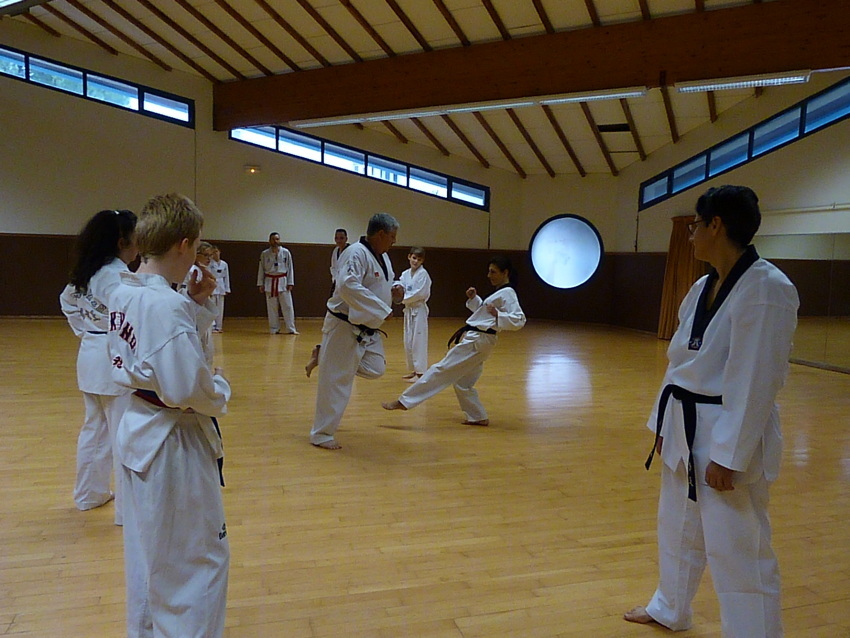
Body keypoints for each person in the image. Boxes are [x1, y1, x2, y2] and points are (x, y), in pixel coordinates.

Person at [624, 185, 799, 638]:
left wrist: (729, 454)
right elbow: (679, 361)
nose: (691, 236)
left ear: (716, 226)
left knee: (737, 549)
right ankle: (670, 608)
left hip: (725, 428)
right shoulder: (703, 286)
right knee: (676, 525)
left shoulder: (767, 289)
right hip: (683, 422)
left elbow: (757, 380)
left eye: (696, 226)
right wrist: (661, 424)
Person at [107, 193, 231, 638]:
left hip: (139, 427)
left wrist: (193, 304)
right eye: (196, 246)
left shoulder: (123, 290)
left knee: (150, 553)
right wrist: (221, 388)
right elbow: (188, 391)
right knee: (198, 562)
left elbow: (157, 345)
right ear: (183, 245)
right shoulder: (166, 307)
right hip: (173, 442)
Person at [59, 209, 138, 526]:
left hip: (91, 353)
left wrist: (87, 330)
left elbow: (67, 301)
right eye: (136, 239)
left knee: (95, 429)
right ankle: (127, 511)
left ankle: (89, 494)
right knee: (123, 433)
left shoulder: (87, 271)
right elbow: (131, 316)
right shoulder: (117, 277)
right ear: (121, 242)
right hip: (112, 357)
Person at [382, 255, 525, 426]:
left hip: (477, 340)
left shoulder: (508, 293)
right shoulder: (501, 291)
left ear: (505, 273)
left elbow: (519, 320)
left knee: (440, 369)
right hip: (481, 340)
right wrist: (475, 300)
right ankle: (478, 416)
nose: (489, 275)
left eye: (493, 272)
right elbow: (484, 314)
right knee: (463, 382)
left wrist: (498, 314)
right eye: (489, 271)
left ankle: (404, 401)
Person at [308, 213, 404, 449]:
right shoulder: (355, 253)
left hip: (367, 331)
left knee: (376, 368)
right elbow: (347, 285)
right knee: (336, 381)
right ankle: (322, 434)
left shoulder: (383, 256)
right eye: (392, 236)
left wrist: (395, 291)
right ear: (380, 234)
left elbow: (381, 283)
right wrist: (381, 308)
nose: (394, 241)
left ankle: (327, 357)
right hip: (344, 326)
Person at [397, 246, 432, 381]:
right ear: (409, 257)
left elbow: (420, 293)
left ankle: (421, 372)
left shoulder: (423, 274)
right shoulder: (405, 274)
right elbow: (400, 286)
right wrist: (396, 291)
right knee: (409, 340)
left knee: (419, 341)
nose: (416, 261)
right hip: (408, 310)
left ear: (423, 261)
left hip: (418, 310)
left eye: (419, 259)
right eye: (414, 258)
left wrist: (402, 299)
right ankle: (414, 370)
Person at [257, 232, 298, 334]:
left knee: (288, 306)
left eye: (277, 239)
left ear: (279, 240)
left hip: (283, 281)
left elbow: (290, 268)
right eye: (273, 239)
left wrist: (290, 282)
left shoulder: (286, 252)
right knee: (272, 308)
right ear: (269, 241)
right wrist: (260, 283)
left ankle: (291, 328)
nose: (275, 241)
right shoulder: (264, 254)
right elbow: (261, 269)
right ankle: (274, 328)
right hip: (269, 281)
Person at [210, 245, 230, 333]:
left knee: (220, 308)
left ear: (219, 252)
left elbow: (226, 277)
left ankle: (219, 326)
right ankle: (212, 326)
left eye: (216, 252)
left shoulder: (224, 264)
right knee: (212, 307)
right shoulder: (210, 264)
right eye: (213, 252)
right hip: (212, 286)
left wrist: (227, 288)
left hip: (221, 286)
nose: (215, 254)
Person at [329, 228, 349, 295]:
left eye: (341, 238)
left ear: (346, 239)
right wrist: (335, 279)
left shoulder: (351, 251)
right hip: (337, 282)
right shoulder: (336, 250)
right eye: (336, 238)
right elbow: (333, 267)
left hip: (347, 282)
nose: (339, 240)